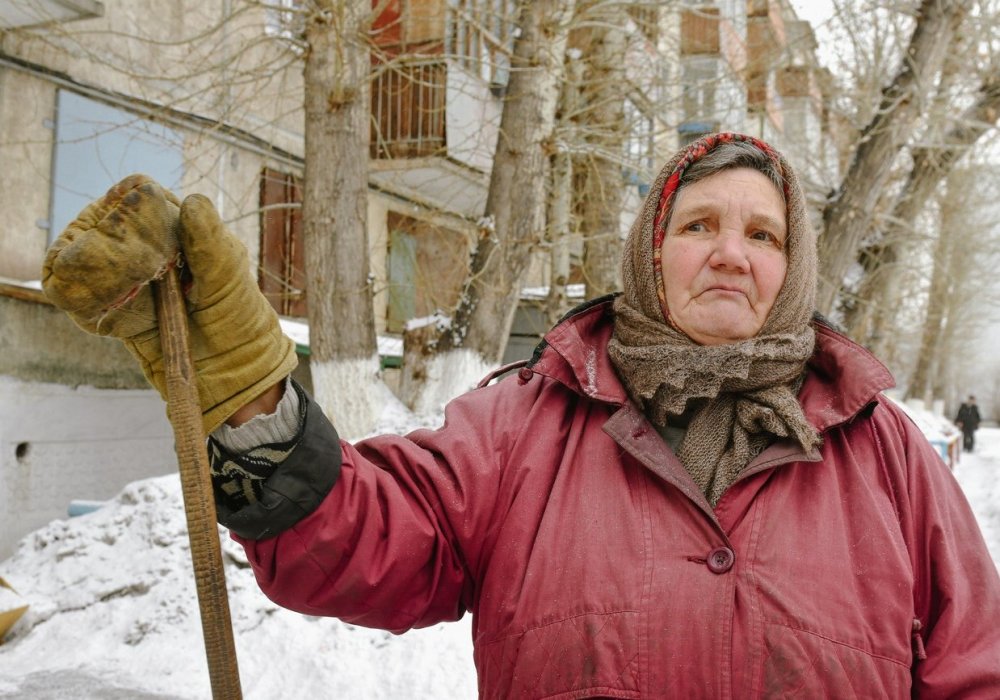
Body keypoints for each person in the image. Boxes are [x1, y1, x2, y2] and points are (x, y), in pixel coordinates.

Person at [42, 133, 1000, 697]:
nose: (730, 254)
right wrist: (248, 389)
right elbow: (365, 538)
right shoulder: (529, 422)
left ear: (793, 270)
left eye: (763, 235)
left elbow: (975, 670)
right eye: (698, 225)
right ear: (649, 253)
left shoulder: (885, 451)